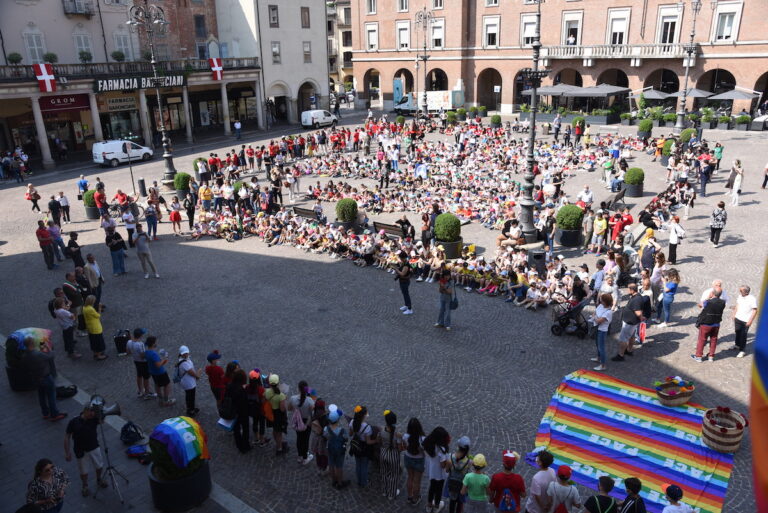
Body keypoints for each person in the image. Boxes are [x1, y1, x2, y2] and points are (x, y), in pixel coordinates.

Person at [64, 405, 107, 497]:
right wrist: (67, 452)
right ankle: (85, 485)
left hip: (94, 447)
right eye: (90, 412)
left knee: (99, 465)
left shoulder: (94, 419)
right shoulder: (73, 421)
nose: (92, 414)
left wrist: (100, 414)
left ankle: (99, 479)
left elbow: (102, 421)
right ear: (84, 411)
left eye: (93, 412)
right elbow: (67, 436)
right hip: (80, 450)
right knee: (83, 471)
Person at [21, 337, 67, 422]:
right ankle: (54, 414)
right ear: (32, 344)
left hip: (36, 378)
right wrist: (48, 347)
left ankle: (45, 413)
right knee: (51, 396)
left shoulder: (24, 356)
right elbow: (51, 356)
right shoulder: (37, 354)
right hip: (46, 377)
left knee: (41, 395)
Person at [692, 288, 726, 362]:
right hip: (716, 324)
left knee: (702, 340)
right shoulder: (723, 302)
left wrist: (708, 297)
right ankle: (711, 356)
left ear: (712, 293)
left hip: (706, 324)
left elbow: (700, 304)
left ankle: (698, 356)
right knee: (714, 340)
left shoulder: (708, 302)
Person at [612, 283, 645, 362]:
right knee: (631, 336)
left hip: (629, 323)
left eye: (628, 289)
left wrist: (641, 318)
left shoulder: (636, 299)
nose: (627, 290)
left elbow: (638, 313)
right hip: (631, 322)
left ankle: (621, 355)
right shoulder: (637, 296)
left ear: (632, 290)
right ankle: (629, 350)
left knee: (623, 339)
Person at [288, 380, 315, 465]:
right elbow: (312, 412)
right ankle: (305, 457)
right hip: (307, 421)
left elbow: (289, 408)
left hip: (298, 421)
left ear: (298, 388)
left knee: (299, 438)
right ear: (307, 390)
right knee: (306, 439)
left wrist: (296, 411)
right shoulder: (310, 400)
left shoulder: (293, 398)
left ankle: (300, 456)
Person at [424, 426, 450, 513]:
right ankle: (436, 506)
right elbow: (443, 465)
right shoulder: (441, 450)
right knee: (439, 490)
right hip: (440, 474)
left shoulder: (430, 445)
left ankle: (429, 505)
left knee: (432, 488)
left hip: (432, 471)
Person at [349, 405, 376, 488]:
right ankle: (363, 482)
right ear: (364, 415)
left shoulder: (351, 423)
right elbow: (368, 442)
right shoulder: (367, 428)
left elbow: (350, 434)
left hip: (356, 446)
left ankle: (359, 480)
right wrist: (376, 440)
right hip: (364, 448)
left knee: (358, 464)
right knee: (364, 465)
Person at [324, 407, 351, 490]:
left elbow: (326, 437)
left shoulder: (326, 429)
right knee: (339, 467)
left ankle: (333, 481)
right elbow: (346, 438)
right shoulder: (342, 430)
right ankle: (340, 483)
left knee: (331, 465)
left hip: (330, 449)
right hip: (340, 451)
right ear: (338, 420)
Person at [144, 336, 176, 406]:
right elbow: (158, 365)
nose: (156, 344)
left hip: (152, 372)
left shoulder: (146, 352)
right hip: (160, 372)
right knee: (167, 384)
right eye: (155, 342)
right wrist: (164, 360)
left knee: (157, 385)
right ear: (153, 344)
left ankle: (160, 399)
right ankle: (166, 400)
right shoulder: (153, 354)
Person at [378, 409, 402, 500]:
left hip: (383, 453)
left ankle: (384, 491)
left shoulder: (382, 430)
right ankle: (391, 493)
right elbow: (399, 448)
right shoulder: (397, 434)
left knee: (383, 472)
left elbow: (379, 441)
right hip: (393, 455)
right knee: (394, 475)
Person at [403, 417, 426, 506]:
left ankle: (409, 496)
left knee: (410, 478)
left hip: (408, 458)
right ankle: (415, 498)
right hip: (419, 460)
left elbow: (405, 446)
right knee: (417, 481)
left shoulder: (406, 436)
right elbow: (425, 452)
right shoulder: (423, 439)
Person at [445, 436, 472, 513]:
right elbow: (468, 474)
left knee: (452, 502)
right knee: (460, 503)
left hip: (452, 484)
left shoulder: (450, 457)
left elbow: (447, 470)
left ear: (458, 446)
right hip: (462, 485)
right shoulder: (469, 462)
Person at [126, 328, 155, 399]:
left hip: (136, 361)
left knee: (139, 376)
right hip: (143, 363)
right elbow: (142, 356)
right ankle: (147, 393)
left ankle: (140, 391)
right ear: (141, 335)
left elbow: (128, 352)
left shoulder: (129, 342)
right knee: (146, 378)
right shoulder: (140, 344)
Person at [226, 369, 250, 453]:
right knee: (245, 428)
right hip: (242, 412)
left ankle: (239, 446)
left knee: (236, 429)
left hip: (233, 411)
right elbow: (244, 402)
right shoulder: (241, 390)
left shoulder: (229, 386)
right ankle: (246, 445)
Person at [265, 373, 289, 455]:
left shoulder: (267, 392)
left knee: (275, 431)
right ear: (278, 383)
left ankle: (278, 444)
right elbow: (282, 409)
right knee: (279, 433)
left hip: (271, 413)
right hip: (278, 415)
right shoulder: (281, 396)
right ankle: (279, 448)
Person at [590, 293, 614, 371]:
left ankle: (603, 365)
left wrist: (594, 317)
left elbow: (598, 321)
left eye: (602, 300)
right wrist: (595, 317)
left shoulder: (608, 312)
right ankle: (598, 358)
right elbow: (595, 313)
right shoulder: (601, 306)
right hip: (597, 328)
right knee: (597, 344)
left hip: (602, 331)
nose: (600, 301)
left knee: (601, 347)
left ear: (605, 302)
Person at [733, 285, 758, 358]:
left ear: (746, 292)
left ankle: (742, 350)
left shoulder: (752, 299)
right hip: (738, 318)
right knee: (737, 331)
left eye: (741, 291)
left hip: (746, 320)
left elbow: (754, 310)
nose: (739, 292)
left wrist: (750, 321)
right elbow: (737, 305)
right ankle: (737, 345)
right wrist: (734, 313)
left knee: (743, 335)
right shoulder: (740, 296)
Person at [176, 346, 200, 417]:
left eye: (186, 353)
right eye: (184, 353)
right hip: (188, 383)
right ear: (181, 354)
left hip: (188, 381)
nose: (186, 354)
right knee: (191, 396)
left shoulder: (182, 360)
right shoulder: (184, 363)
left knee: (189, 395)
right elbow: (191, 372)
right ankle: (190, 410)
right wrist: (198, 374)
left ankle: (190, 408)